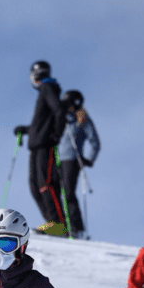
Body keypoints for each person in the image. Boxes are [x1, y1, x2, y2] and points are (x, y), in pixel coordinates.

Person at [13, 61, 66, 236]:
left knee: (45, 183)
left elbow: (59, 111)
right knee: (35, 185)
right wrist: (26, 130)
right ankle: (52, 222)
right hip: (37, 144)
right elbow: (41, 124)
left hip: (45, 144)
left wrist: (56, 135)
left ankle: (59, 223)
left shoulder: (48, 88)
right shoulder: (46, 90)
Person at [56, 90, 99, 239]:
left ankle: (76, 228)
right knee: (54, 192)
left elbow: (95, 142)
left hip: (72, 160)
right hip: (56, 159)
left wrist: (89, 159)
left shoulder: (82, 119)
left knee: (68, 193)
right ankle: (60, 225)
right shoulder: (61, 118)